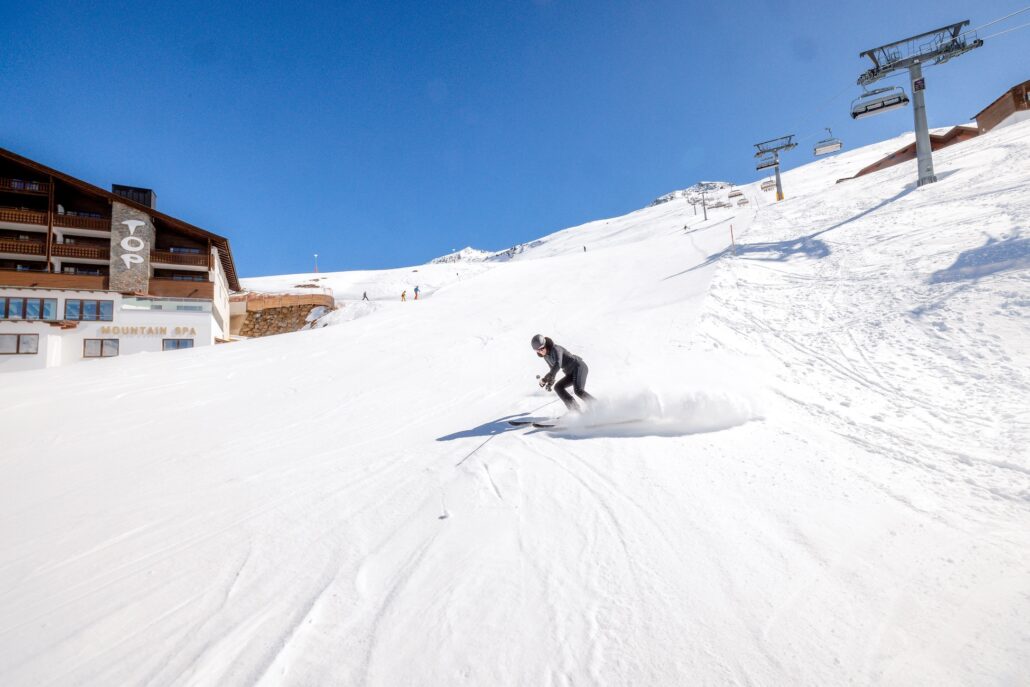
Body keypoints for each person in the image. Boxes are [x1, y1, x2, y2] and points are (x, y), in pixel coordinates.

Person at [531, 334, 596, 412]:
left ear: (546, 345)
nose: (541, 351)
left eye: (542, 348)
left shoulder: (556, 349)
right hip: (570, 373)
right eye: (538, 350)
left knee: (578, 391)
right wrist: (548, 381)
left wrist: (550, 376)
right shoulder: (546, 356)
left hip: (578, 367)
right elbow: (552, 369)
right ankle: (575, 410)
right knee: (558, 387)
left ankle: (598, 406)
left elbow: (558, 364)